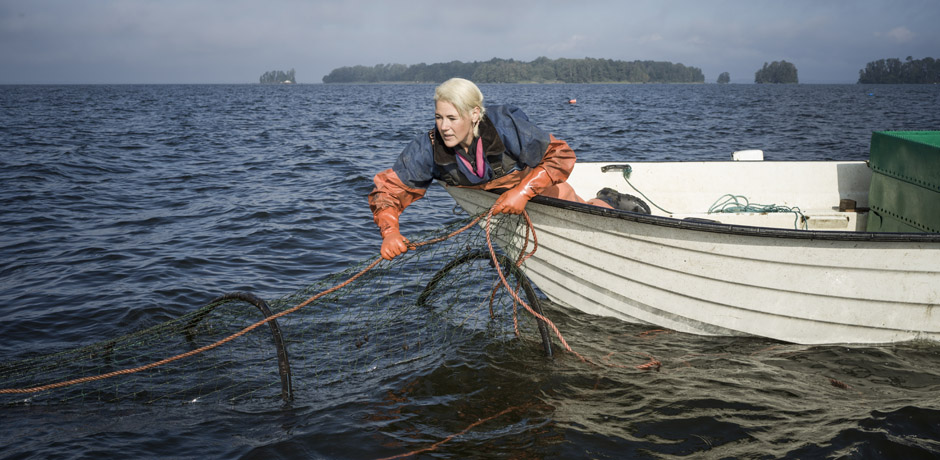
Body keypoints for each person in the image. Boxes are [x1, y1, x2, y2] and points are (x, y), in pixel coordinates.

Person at [368, 78, 647, 260]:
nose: (444, 126)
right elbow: (388, 190)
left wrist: (523, 192)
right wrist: (390, 231)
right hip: (498, 204)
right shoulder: (429, 146)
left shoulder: (503, 125)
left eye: (452, 118)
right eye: (439, 117)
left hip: (541, 188)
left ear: (474, 114)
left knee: (591, 217)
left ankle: (608, 199)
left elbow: (561, 155)